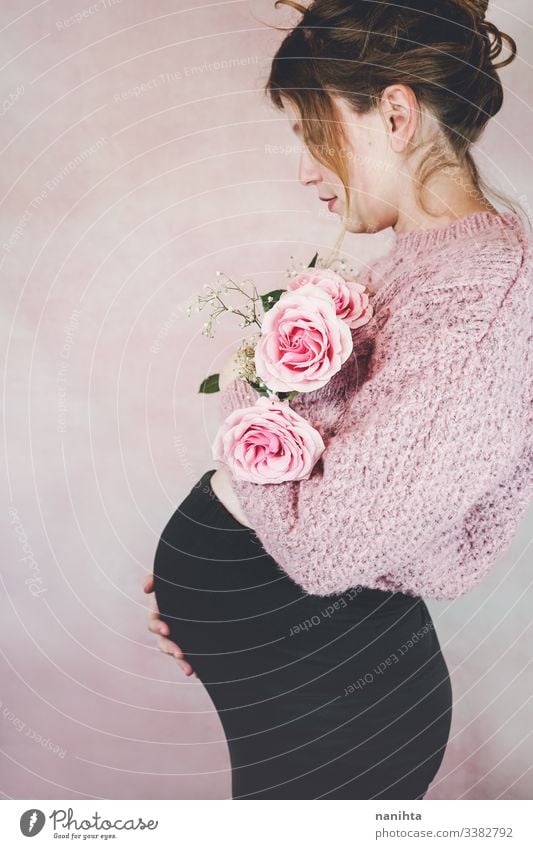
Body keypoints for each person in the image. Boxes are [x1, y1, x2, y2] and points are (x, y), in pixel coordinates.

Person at [145, 0, 532, 799]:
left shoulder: (482, 297)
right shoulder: (425, 263)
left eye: (309, 130)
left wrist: (236, 544)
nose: (304, 170)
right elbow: (356, 484)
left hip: (342, 703)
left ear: (394, 112)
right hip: (311, 671)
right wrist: (222, 595)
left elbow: (332, 545)